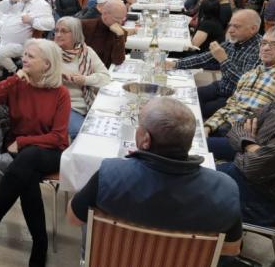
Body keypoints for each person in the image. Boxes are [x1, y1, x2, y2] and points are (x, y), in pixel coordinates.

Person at [66, 97, 242, 257]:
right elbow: (231, 249)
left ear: (145, 139)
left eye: (139, 125)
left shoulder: (110, 174)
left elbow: (73, 218)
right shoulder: (225, 189)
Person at [0, 39, 70, 267]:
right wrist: (13, 79)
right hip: (22, 153)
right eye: (24, 54)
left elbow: (58, 137)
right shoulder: (18, 84)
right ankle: (40, 244)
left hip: (49, 151)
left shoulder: (60, 93)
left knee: (27, 159)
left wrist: (23, 141)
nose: (24, 59)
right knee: (26, 178)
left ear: (46, 64)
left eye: (30, 56)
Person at [217, 47, 275, 227]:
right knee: (186, 173)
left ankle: (222, 253)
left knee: (189, 193)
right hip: (244, 177)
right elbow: (237, 126)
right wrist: (251, 145)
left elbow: (254, 166)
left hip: (266, 201)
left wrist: (247, 145)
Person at [205, 26, 275, 161]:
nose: (266, 48)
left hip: (245, 139)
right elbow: (230, 105)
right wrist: (208, 126)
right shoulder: (250, 74)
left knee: (189, 147)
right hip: (222, 127)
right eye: (264, 43)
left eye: (274, 45)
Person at [169, 10, 262, 119]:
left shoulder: (260, 50)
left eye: (236, 27)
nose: (230, 30)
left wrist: (224, 60)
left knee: (196, 111)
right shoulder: (235, 41)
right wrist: (176, 64)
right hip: (222, 86)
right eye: (230, 25)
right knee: (185, 99)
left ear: (253, 29)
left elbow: (244, 83)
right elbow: (204, 58)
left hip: (236, 97)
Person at [54, 17, 110, 139]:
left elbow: (106, 78)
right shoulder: (49, 53)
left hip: (90, 104)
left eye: (64, 31)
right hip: (65, 107)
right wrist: (58, 74)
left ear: (75, 34)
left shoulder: (86, 51)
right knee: (83, 135)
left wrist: (85, 79)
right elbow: (39, 78)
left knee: (106, 132)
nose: (58, 35)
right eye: (56, 30)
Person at [0, 0, 55, 74]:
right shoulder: (21, 0)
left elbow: (50, 24)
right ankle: (0, 76)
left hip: (23, 44)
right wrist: (10, 1)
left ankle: (16, 72)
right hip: (4, 41)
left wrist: (32, 21)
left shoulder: (41, 4)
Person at [80, 0, 129, 68]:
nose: (120, 22)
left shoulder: (120, 32)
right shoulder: (85, 26)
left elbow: (118, 60)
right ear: (105, 14)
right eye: (117, 18)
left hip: (105, 73)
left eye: (123, 19)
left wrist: (120, 37)